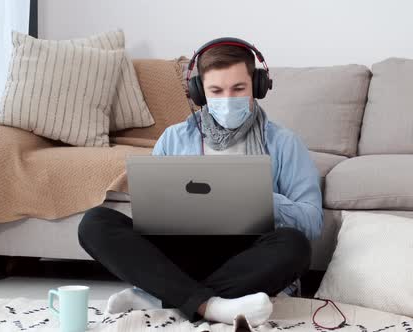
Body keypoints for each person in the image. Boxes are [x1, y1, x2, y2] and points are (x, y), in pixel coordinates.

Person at [77, 37, 323, 326]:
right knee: (95, 222)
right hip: (184, 250)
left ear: (257, 87)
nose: (227, 99)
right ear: (199, 93)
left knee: (295, 246)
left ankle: (161, 298)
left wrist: (260, 198)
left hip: (245, 255)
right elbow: (150, 213)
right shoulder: (174, 138)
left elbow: (312, 222)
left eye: (238, 89)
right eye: (216, 91)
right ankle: (215, 306)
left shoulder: (284, 143)